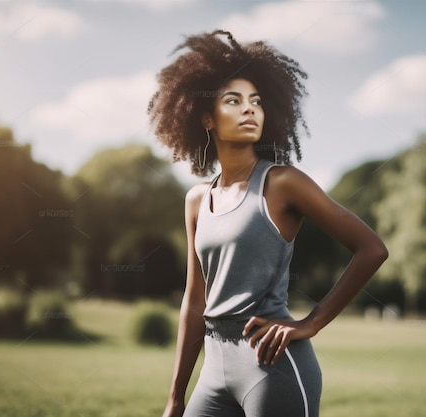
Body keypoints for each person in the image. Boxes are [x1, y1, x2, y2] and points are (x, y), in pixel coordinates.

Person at [148, 30, 388, 417]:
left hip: (273, 367)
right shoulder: (197, 200)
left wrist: (311, 322)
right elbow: (195, 300)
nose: (249, 110)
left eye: (256, 102)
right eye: (234, 101)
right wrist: (176, 397)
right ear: (206, 117)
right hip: (213, 369)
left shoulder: (282, 184)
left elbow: (372, 248)